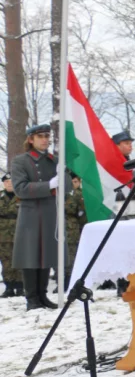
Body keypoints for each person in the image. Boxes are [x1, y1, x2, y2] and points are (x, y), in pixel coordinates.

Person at [11, 124, 61, 310]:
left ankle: (43, 294)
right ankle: (31, 297)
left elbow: (69, 187)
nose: (45, 139)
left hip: (49, 211)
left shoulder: (54, 160)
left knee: (46, 253)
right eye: (40, 136)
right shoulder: (20, 161)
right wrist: (49, 185)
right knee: (30, 255)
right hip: (30, 213)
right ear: (31, 139)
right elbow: (20, 188)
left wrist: (63, 179)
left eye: (47, 136)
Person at [63, 173, 87, 291]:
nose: (73, 185)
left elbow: (82, 213)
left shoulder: (80, 194)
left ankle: (71, 281)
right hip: (59, 228)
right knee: (61, 256)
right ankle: (61, 280)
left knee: (72, 256)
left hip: (73, 229)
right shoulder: (61, 193)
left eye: (75, 182)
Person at [0, 172, 23, 298]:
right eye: (7, 182)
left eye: (11, 182)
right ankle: (9, 287)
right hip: (3, 235)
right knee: (6, 261)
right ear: (4, 183)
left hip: (19, 233)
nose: (9, 184)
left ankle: (20, 286)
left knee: (20, 259)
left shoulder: (22, 196)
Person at [112, 130, 135, 201]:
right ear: (116, 145)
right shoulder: (110, 164)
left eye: (130, 143)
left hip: (131, 204)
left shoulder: (131, 164)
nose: (130, 146)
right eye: (127, 143)